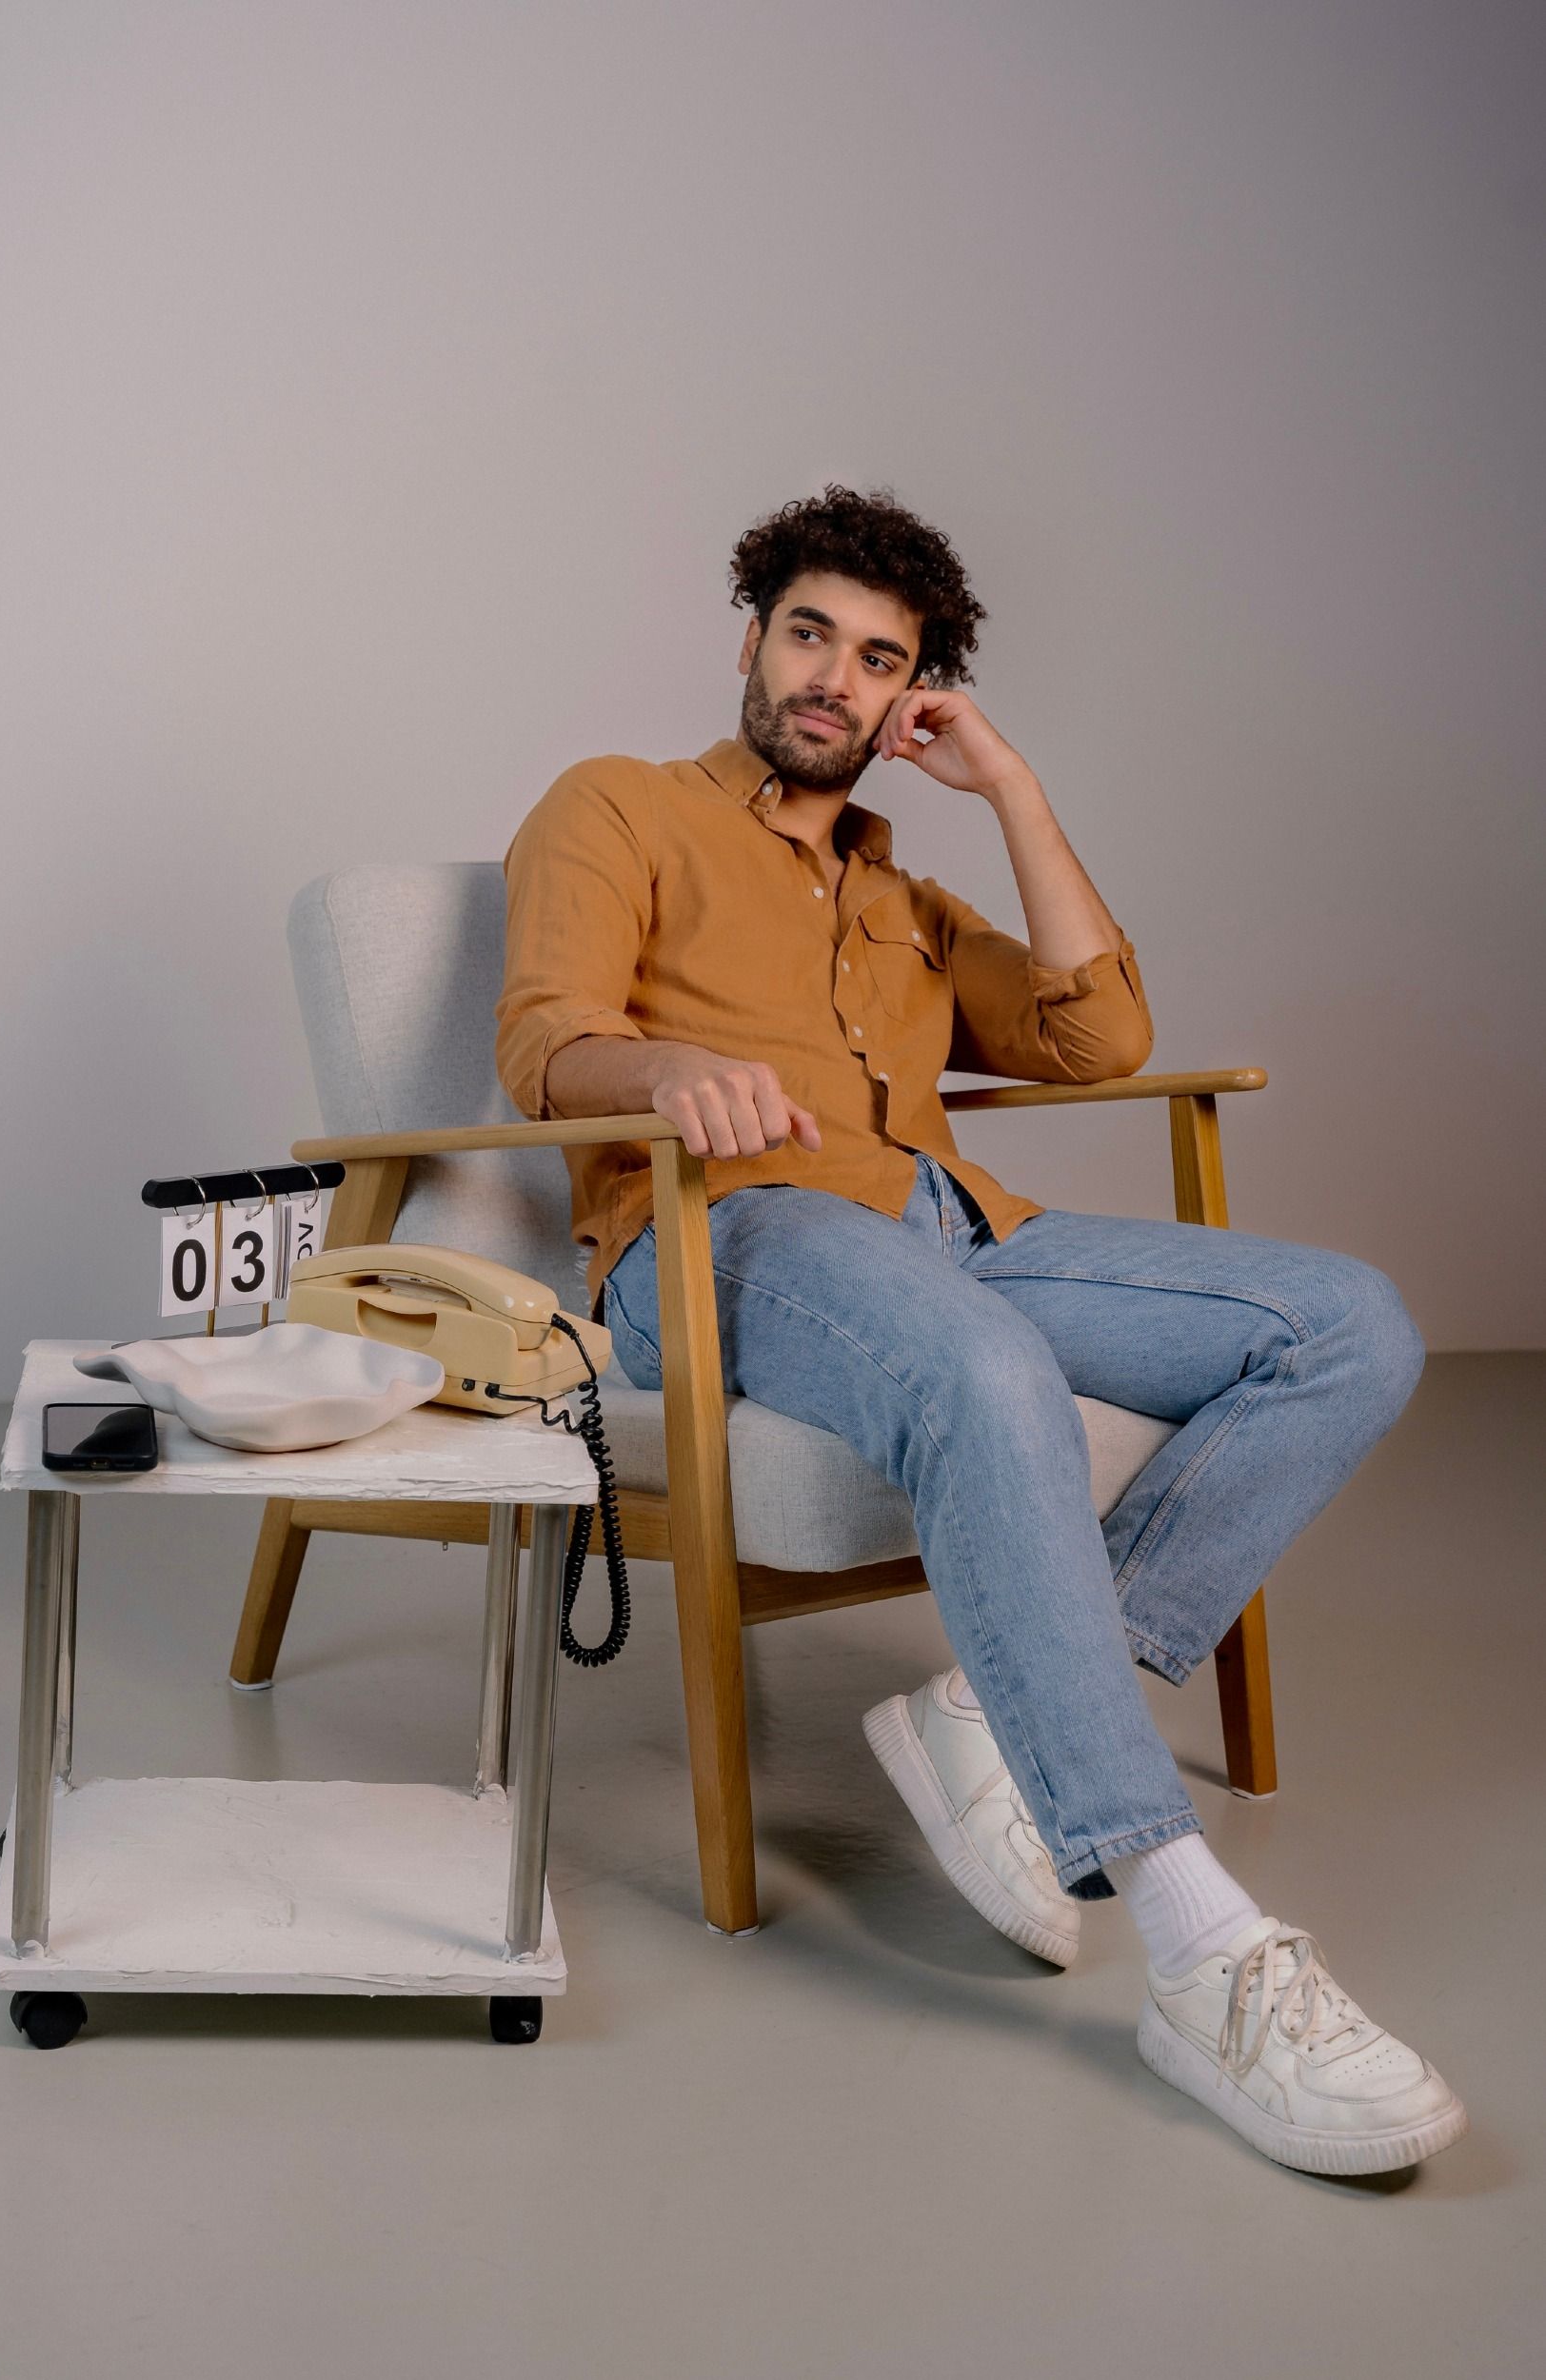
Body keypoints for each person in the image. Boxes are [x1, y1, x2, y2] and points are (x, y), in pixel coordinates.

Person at [495, 483, 1466, 2175]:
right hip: (724, 1240)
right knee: (989, 1369)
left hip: (960, 1235)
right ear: (752, 639)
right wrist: (670, 1071)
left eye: (880, 661)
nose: (833, 678)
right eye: (810, 635)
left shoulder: (905, 898)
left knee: (1349, 1326)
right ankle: (1199, 1949)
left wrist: (1010, 786)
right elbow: (543, 1041)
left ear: (910, 698)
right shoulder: (619, 804)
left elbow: (1100, 1039)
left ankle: (987, 1718)